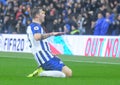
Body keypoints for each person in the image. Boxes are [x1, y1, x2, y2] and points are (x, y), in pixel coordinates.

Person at [26, 7, 72, 78]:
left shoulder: (36, 26)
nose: (44, 15)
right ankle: (41, 73)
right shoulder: (35, 26)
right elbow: (37, 37)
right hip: (43, 56)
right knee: (68, 73)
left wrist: (50, 52)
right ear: (37, 16)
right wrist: (52, 34)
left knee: (66, 73)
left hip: (46, 54)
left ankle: (43, 71)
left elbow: (41, 42)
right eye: (42, 13)